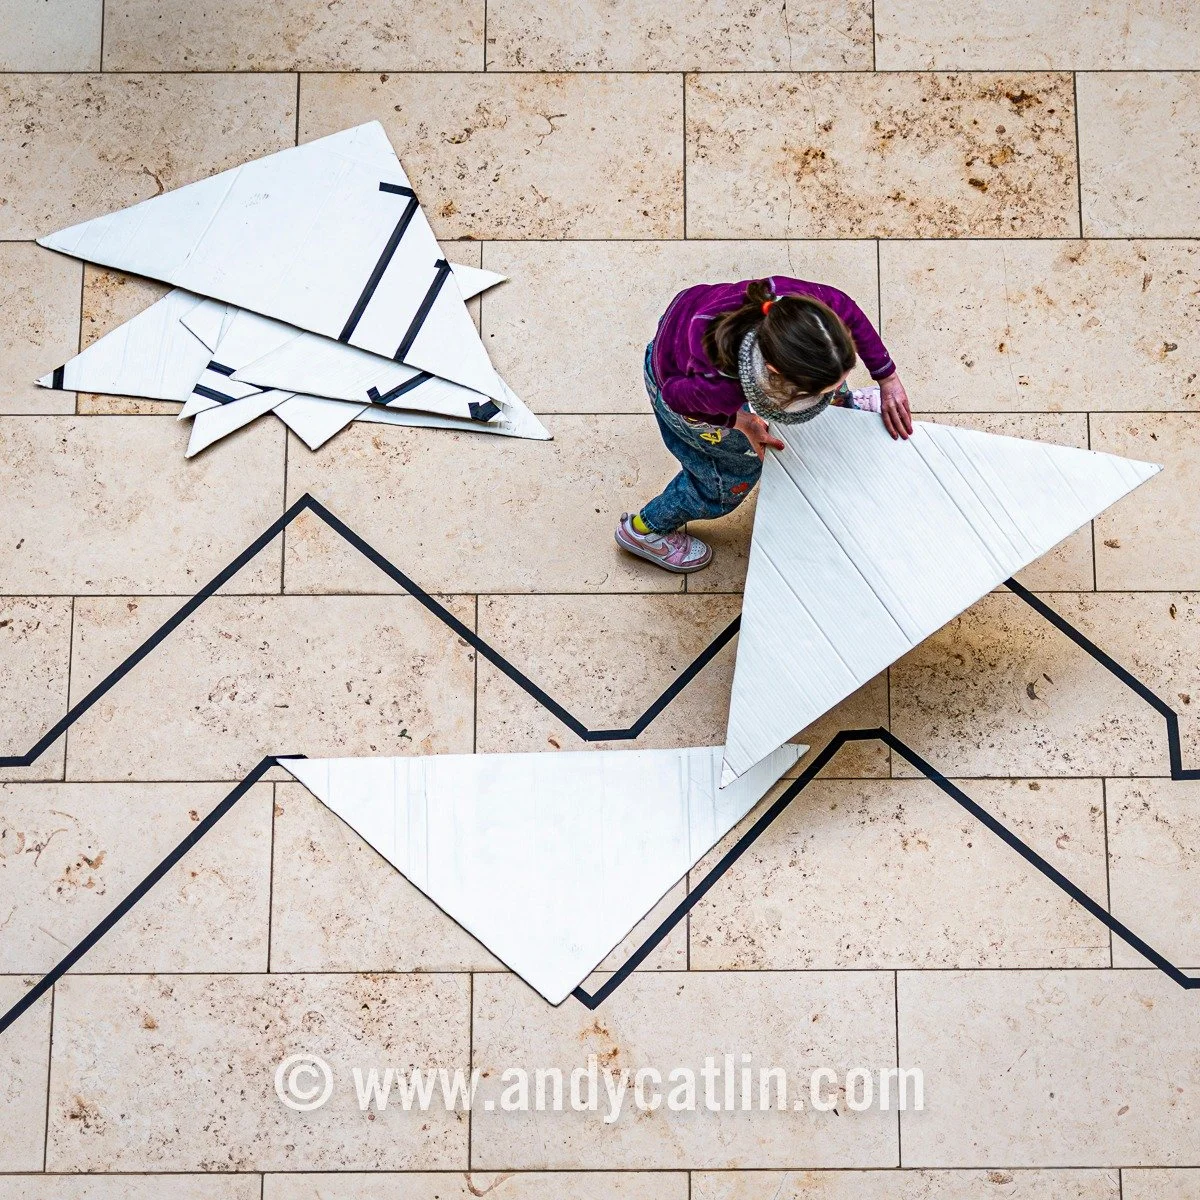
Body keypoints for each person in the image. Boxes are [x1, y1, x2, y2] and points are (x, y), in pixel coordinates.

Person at [615, 276, 913, 573]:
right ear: (773, 374)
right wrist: (741, 422)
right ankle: (646, 530)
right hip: (679, 391)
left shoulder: (805, 312)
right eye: (814, 396)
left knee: (821, 373)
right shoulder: (718, 389)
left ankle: (839, 405)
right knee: (727, 478)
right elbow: (676, 398)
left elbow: (848, 310)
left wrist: (887, 377)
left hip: (689, 323)